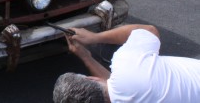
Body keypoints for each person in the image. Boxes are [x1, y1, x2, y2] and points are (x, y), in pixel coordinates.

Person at [53, 24, 200, 102]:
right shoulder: (127, 64)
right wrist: (94, 37)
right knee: (108, 49)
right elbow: (150, 31)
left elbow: (115, 92)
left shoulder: (121, 87)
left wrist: (86, 58)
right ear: (92, 79)